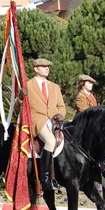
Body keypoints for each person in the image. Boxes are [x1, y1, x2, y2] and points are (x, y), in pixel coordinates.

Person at [17, 58, 66, 191]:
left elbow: (61, 106)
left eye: (48, 66)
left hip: (55, 121)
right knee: (50, 141)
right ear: (35, 69)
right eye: (43, 66)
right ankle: (45, 177)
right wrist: (20, 98)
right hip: (37, 121)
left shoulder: (55, 87)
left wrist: (61, 114)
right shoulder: (28, 86)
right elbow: (17, 110)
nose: (47, 68)